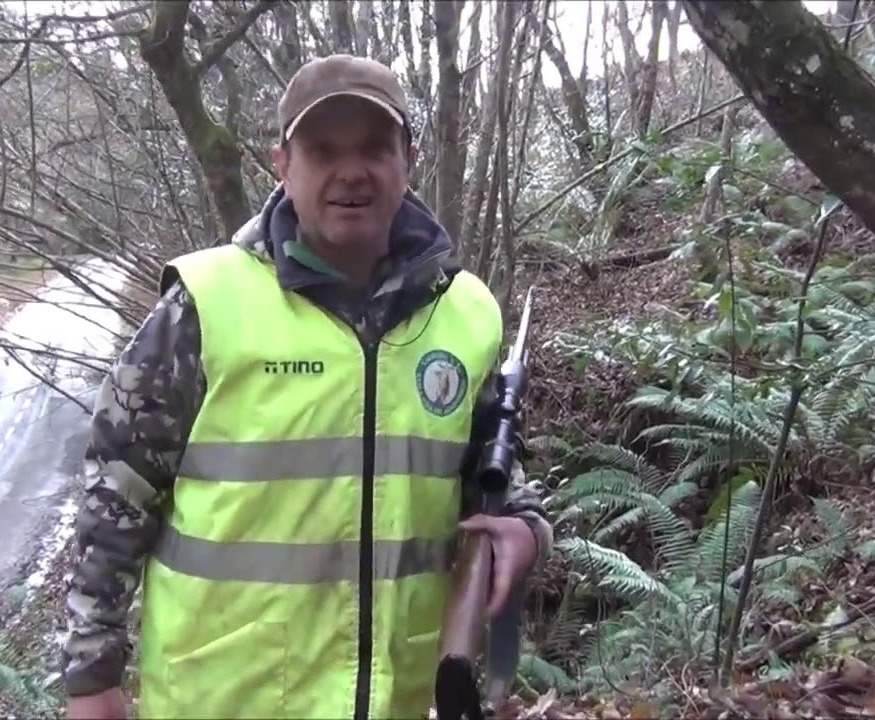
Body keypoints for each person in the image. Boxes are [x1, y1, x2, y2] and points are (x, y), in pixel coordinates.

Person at [60, 53, 553, 720]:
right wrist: (93, 679)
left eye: (375, 147)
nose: (351, 171)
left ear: (410, 157)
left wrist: (524, 529)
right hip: (224, 702)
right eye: (323, 150)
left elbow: (486, 476)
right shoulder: (205, 305)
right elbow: (115, 492)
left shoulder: (467, 314)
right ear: (281, 164)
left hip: (397, 702)